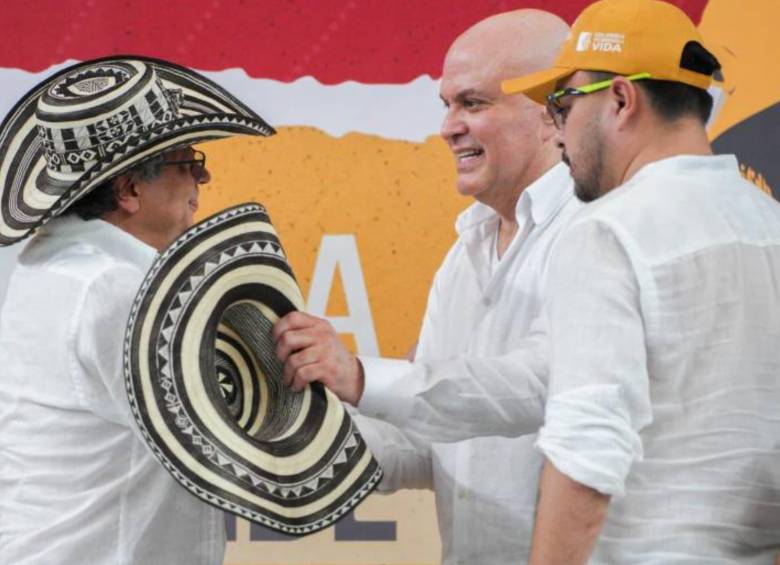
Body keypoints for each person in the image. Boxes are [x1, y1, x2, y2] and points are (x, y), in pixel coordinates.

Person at [273, 10, 577, 563]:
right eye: (447, 105)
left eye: (474, 102)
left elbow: (540, 387)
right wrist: (284, 431)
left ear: (552, 113)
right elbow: (425, 442)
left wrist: (360, 375)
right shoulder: (465, 251)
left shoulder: (596, 233)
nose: (447, 127)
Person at [498, 0, 780, 562]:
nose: (557, 135)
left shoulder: (607, 232)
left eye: (562, 105)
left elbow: (585, 450)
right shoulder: (770, 226)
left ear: (622, 100)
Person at [0, 56, 274, 564]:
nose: (204, 177)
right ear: (128, 190)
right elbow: (247, 441)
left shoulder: (54, 269)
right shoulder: (116, 292)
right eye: (187, 161)